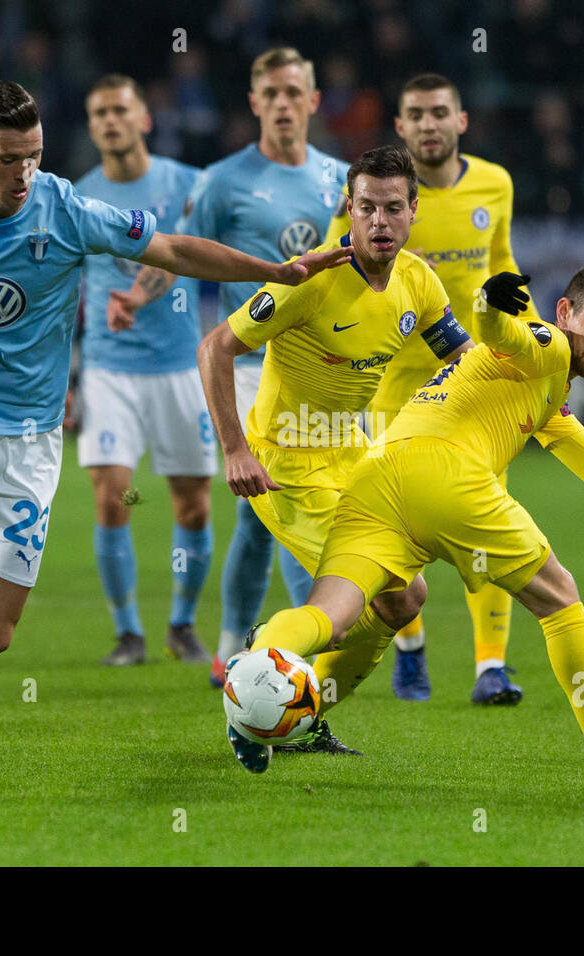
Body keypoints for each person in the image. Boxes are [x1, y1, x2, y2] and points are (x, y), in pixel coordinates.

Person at [0, 80, 349, 790]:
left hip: (31, 438)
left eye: (34, 156)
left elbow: (172, 250)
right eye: (7, 160)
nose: (24, 174)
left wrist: (277, 272)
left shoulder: (64, 207)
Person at [233, 263, 584, 788]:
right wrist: (487, 303)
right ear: (565, 312)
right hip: (448, 475)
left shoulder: (548, 393)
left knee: (344, 614)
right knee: (560, 598)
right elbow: (504, 334)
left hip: (381, 475)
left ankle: (255, 690)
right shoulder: (550, 344)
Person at [198, 144, 473, 768]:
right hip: (287, 468)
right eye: (366, 206)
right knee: (345, 613)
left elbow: (461, 360)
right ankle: (252, 695)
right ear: (348, 208)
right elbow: (214, 348)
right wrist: (235, 449)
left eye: (393, 208)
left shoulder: (418, 282)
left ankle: (304, 706)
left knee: (405, 599)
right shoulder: (309, 282)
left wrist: (528, 381)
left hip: (354, 458)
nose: (379, 221)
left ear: (413, 212)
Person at [110, 47, 349, 688]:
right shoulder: (222, 180)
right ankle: (278, 656)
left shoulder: (343, 181)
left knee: (279, 515)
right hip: (251, 369)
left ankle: (237, 652)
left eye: (293, 92)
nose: (282, 104)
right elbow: (180, 254)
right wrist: (136, 294)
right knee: (276, 504)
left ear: (313, 101)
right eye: (270, 94)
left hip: (330, 374)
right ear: (253, 103)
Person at [326, 73, 541, 705]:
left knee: (487, 525)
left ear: (461, 120)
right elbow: (338, 266)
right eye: (415, 113)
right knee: (398, 537)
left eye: (438, 112)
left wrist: (529, 348)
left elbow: (504, 264)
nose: (428, 123)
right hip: (392, 391)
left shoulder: (494, 184)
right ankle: (412, 651)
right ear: (399, 126)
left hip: (474, 386)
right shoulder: (376, 199)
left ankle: (490, 668)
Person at [72, 75, 214, 667]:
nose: (110, 120)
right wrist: (65, 377)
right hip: (109, 371)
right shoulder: (77, 197)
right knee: (113, 497)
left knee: (193, 506)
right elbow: (59, 295)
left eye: (120, 110)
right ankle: (128, 633)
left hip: (179, 367)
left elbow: (180, 256)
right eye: (99, 112)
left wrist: (132, 296)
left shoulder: (187, 184)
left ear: (144, 119)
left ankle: (181, 624)